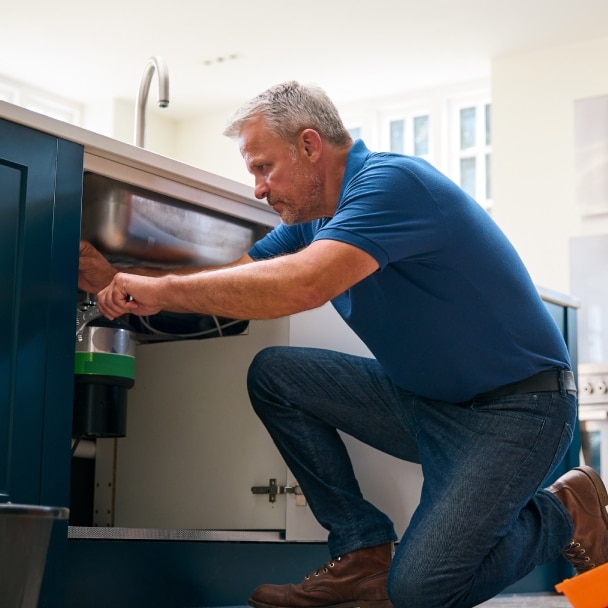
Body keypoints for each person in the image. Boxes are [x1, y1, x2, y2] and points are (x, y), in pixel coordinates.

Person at [79, 81, 608, 608]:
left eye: (264, 167)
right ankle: (361, 551)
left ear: (310, 146)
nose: (259, 189)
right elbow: (233, 283)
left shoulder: (392, 184)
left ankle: (567, 509)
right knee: (277, 376)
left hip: (519, 410)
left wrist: (158, 286)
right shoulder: (315, 223)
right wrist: (122, 277)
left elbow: (304, 285)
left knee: (420, 592)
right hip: (429, 406)